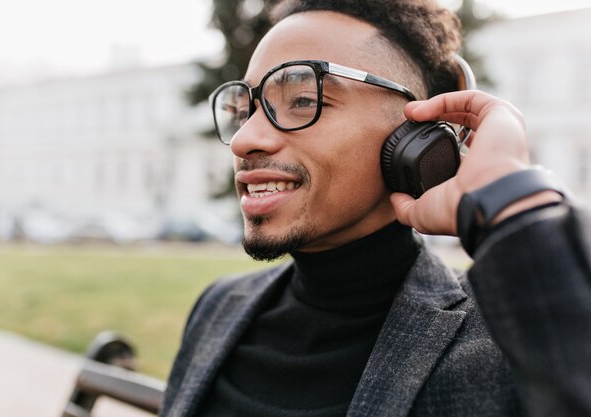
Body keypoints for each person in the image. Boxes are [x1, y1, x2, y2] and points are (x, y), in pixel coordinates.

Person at [159, 1, 591, 416]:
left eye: (304, 100)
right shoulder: (217, 307)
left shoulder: (503, 342)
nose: (243, 140)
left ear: (415, 136)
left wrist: (508, 199)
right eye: (245, 109)